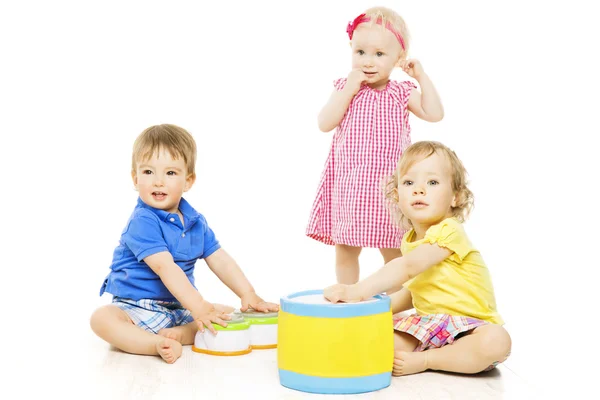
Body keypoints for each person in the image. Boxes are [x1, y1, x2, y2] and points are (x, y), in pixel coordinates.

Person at [90, 124, 278, 363]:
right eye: (148, 172)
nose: (158, 181)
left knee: (227, 312)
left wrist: (248, 294)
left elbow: (220, 259)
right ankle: (156, 343)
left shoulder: (195, 222)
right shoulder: (143, 221)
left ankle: (182, 332)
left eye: (170, 173)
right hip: (135, 308)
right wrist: (199, 306)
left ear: (188, 181)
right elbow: (164, 267)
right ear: (135, 178)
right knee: (102, 318)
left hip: (178, 307)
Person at [324, 141, 511, 376]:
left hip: (469, 327)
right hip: (429, 326)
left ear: (456, 196)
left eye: (432, 183)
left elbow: (408, 267)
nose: (419, 190)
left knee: (496, 341)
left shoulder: (449, 231)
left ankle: (428, 360)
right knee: (369, 341)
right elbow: (414, 292)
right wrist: (372, 309)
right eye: (409, 182)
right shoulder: (410, 239)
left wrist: (357, 291)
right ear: (396, 195)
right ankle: (439, 356)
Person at [306, 6, 444, 289]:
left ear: (398, 58)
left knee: (394, 250)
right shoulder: (345, 86)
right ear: (351, 50)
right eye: (361, 53)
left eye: (379, 54)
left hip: (389, 187)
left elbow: (434, 113)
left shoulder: (401, 93)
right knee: (345, 247)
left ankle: (393, 303)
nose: (368, 61)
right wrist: (349, 90)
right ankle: (347, 293)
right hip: (351, 184)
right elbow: (324, 122)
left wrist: (421, 77)